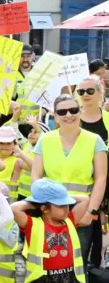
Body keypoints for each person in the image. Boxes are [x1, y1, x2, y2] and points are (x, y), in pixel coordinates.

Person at [31, 94, 108, 270]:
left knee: (78, 265)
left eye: (73, 110)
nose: (68, 115)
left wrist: (91, 212)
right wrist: (44, 208)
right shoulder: (45, 140)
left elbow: (101, 178)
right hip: (49, 212)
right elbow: (36, 177)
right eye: (62, 111)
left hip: (81, 213)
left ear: (80, 111)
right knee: (49, 264)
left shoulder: (94, 141)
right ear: (55, 116)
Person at [11, 179, 89, 283]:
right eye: (61, 205)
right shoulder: (33, 224)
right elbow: (14, 208)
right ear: (45, 209)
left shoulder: (69, 221)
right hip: (42, 278)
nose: (67, 208)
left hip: (69, 276)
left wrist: (61, 196)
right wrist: (36, 203)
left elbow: (85, 199)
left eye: (67, 204)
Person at [77, 75, 109, 267]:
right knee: (79, 248)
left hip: (105, 189)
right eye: (81, 92)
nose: (85, 95)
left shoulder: (107, 119)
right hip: (79, 193)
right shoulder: (70, 117)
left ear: (100, 93)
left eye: (90, 91)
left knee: (101, 247)